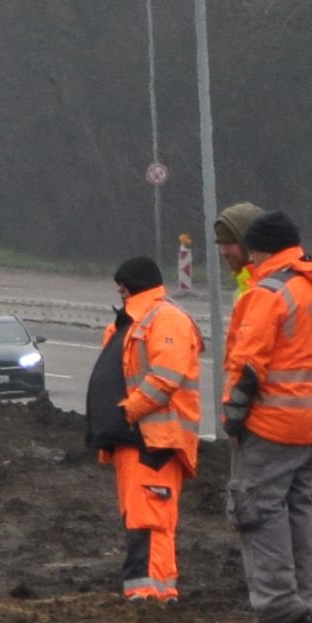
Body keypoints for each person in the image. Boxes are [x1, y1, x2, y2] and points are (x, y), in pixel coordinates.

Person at [221, 207, 312, 623]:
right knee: (300, 511)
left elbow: (248, 363)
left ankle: (278, 606)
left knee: (259, 511)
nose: (251, 261)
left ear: (263, 250)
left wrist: (234, 414)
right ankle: (303, 599)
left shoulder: (268, 293)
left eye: (254, 252)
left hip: (270, 425)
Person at [87, 254, 201, 599]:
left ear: (133, 286)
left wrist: (128, 412)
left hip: (154, 441)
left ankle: (149, 595)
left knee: (149, 520)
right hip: (135, 440)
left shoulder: (165, 319)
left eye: (123, 289)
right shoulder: (133, 322)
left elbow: (165, 377)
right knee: (142, 518)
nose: (119, 294)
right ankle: (156, 593)